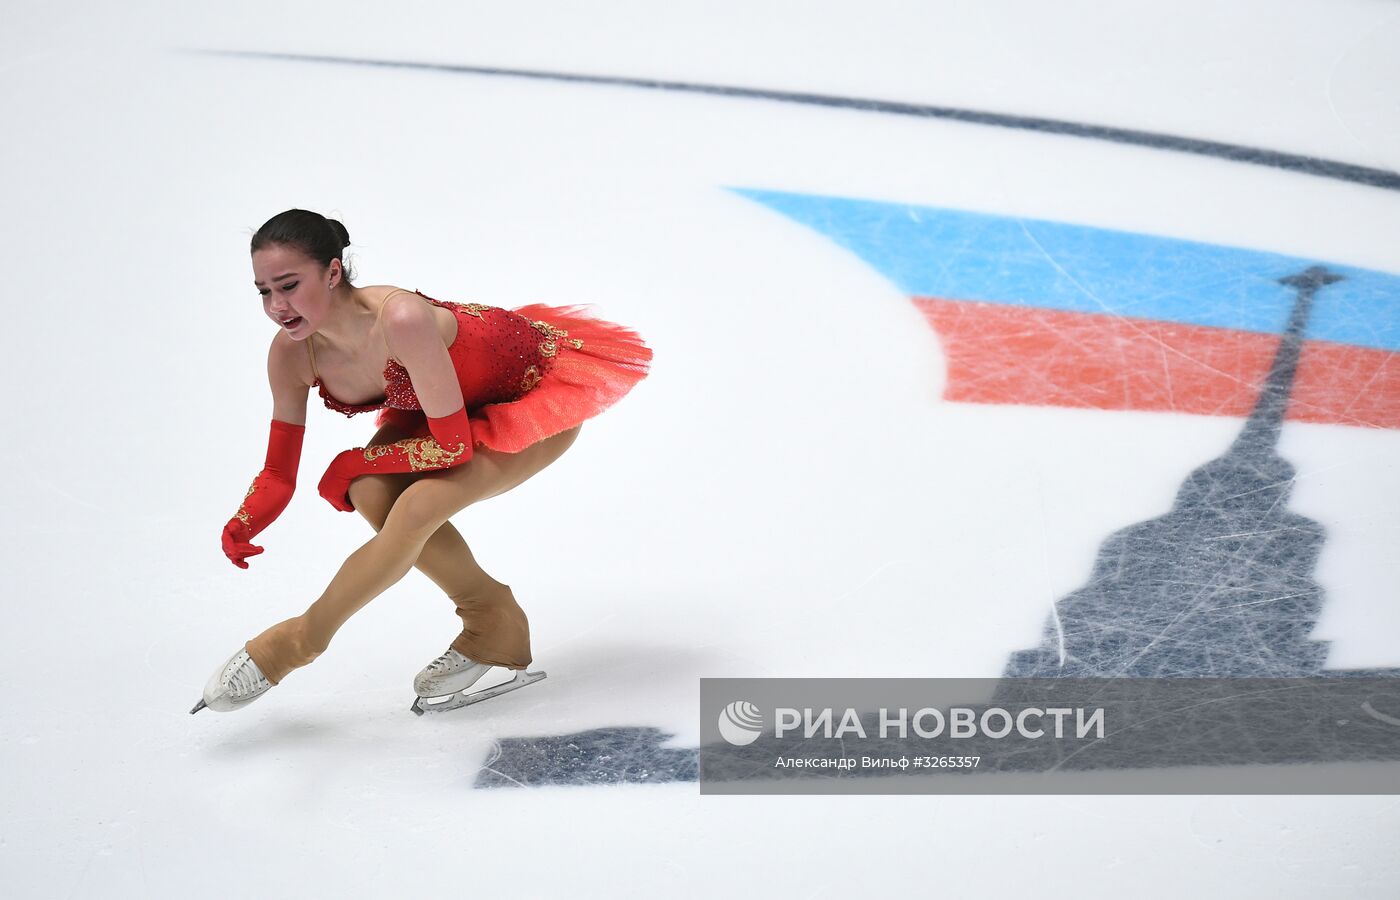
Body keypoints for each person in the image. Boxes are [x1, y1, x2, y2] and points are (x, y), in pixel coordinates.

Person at [191, 209, 652, 714]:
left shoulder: (399, 319)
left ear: (332, 272)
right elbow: (279, 471)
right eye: (264, 292)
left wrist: (348, 462)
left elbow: (453, 449)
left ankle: (298, 641)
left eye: (289, 285)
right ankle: (493, 616)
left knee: (413, 506)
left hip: (525, 401)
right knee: (369, 489)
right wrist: (246, 519)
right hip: (440, 415)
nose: (278, 306)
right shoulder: (291, 354)